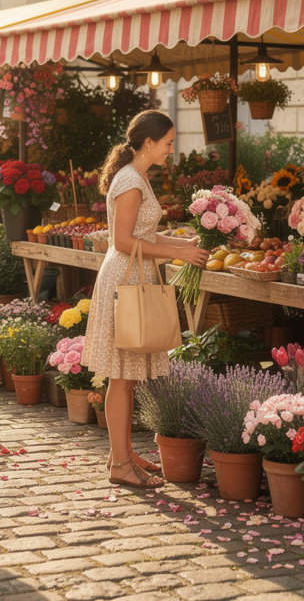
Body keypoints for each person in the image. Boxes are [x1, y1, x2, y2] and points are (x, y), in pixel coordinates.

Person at [82, 110, 209, 489]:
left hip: (129, 275)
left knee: (128, 377)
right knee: (122, 378)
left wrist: (183, 245)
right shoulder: (131, 181)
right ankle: (121, 464)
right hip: (125, 278)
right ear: (149, 143)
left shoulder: (136, 177)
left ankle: (120, 454)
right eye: (168, 143)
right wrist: (176, 254)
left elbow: (143, 236)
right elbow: (122, 241)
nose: (172, 149)